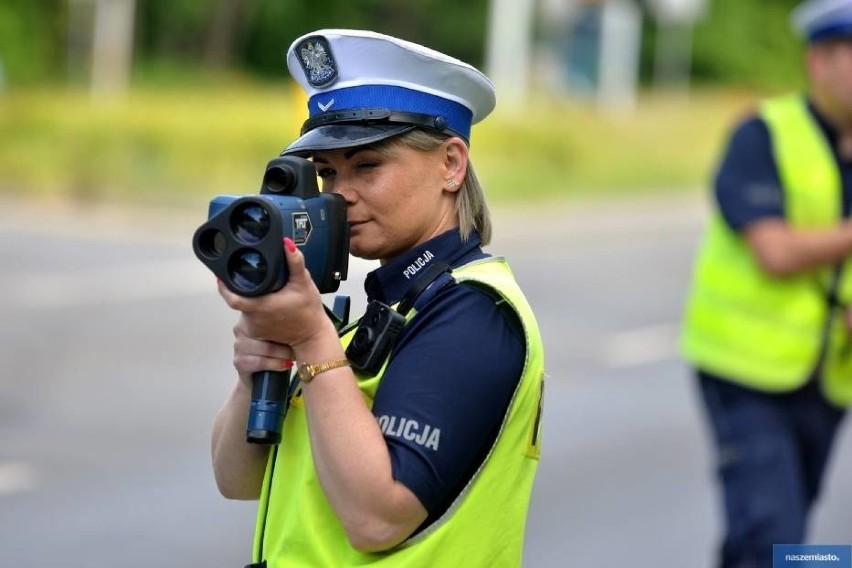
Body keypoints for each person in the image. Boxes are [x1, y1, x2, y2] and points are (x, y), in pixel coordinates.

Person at [210, 29, 545, 567]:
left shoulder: (474, 312)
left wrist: (311, 340)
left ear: (451, 165)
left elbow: (376, 517)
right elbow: (237, 479)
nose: (340, 195)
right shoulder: (390, 305)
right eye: (327, 173)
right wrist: (258, 371)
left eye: (367, 167)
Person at [681, 1, 852, 566]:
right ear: (818, 62)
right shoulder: (764, 134)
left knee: (785, 531)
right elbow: (774, 252)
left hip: (828, 373)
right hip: (745, 368)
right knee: (770, 531)